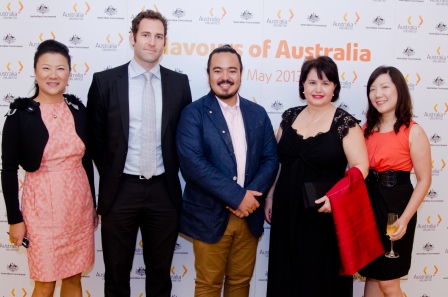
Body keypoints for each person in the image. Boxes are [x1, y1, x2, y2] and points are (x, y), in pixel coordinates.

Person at [87, 9, 192, 297]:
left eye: (159, 36)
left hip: (164, 191)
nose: (152, 42)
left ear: (164, 42)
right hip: (120, 190)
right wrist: (111, 174)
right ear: (132, 38)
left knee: (160, 277)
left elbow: (185, 139)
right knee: (116, 276)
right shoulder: (105, 82)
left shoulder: (179, 84)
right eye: (146, 34)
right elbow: (94, 138)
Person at [176, 45, 278, 297]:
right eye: (217, 70)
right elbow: (192, 164)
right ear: (208, 74)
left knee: (241, 283)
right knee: (209, 284)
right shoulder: (193, 113)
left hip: (249, 215)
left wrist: (250, 198)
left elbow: (271, 159)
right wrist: (237, 197)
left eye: (232, 70)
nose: (225, 77)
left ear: (241, 74)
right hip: (210, 216)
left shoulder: (258, 113)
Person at [265, 56, 369, 297]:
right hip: (286, 210)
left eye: (325, 83)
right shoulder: (289, 117)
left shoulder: (346, 124)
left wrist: (337, 198)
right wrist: (270, 197)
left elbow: (360, 167)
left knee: (319, 279)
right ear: (302, 86)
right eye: (312, 82)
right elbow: (278, 163)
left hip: (324, 213)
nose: (318, 89)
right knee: (286, 275)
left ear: (335, 88)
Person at [1, 39, 96, 297]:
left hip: (78, 207)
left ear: (69, 73)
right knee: (44, 283)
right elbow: (8, 170)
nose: (53, 75)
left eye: (60, 69)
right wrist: (15, 219)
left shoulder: (78, 110)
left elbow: (86, 161)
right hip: (40, 210)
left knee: (74, 278)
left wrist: (94, 206)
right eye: (46, 68)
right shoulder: (19, 115)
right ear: (35, 70)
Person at [359, 66, 431, 297]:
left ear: (398, 90)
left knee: (389, 283)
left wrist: (405, 219)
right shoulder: (365, 129)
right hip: (369, 207)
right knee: (372, 275)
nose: (377, 93)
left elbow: (424, 180)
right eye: (372, 89)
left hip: (395, 211)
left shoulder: (414, 131)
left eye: (384, 87)